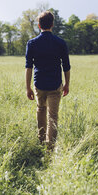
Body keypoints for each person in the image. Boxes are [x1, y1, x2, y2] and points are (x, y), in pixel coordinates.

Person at [25, 11, 71, 151]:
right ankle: (50, 148)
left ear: (39, 25)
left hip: (39, 84)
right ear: (52, 25)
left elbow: (28, 67)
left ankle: (41, 142)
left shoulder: (32, 43)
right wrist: (67, 84)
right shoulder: (60, 43)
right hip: (55, 84)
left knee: (41, 110)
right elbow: (66, 66)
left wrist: (28, 87)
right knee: (53, 116)